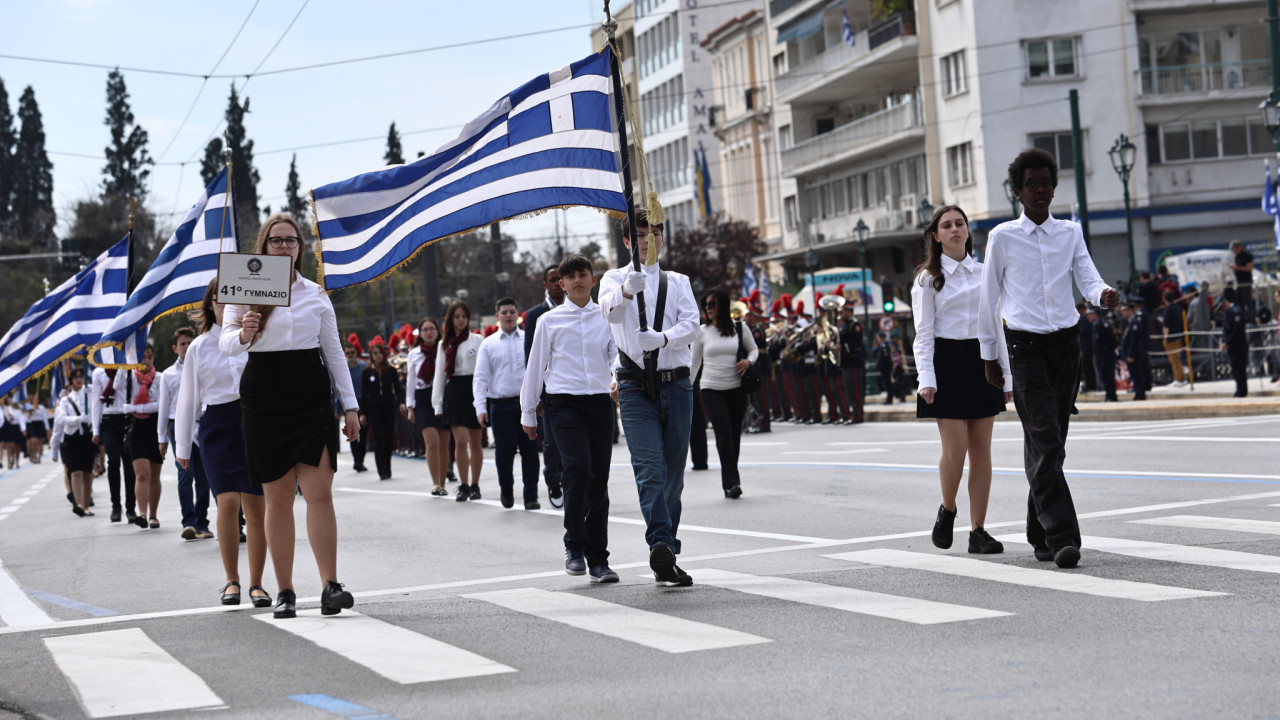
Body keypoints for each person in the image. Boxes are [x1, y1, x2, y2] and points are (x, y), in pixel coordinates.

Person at [978, 147, 1120, 570]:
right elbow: (988, 301)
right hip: (1023, 348)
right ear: (1018, 191)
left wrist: (1102, 295)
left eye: (1046, 184)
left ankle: (1037, 529)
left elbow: (1087, 277)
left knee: (1051, 445)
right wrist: (990, 356)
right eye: (1032, 185)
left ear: (1054, 189)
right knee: (1044, 437)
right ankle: (1062, 537)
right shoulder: (1002, 238)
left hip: (1066, 346)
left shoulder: (1070, 233)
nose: (1040, 191)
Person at [220, 212, 359, 620]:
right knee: (277, 500)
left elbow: (333, 354)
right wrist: (244, 332)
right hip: (263, 395)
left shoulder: (316, 294)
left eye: (291, 241)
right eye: (276, 241)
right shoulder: (244, 287)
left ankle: (331, 585)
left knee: (320, 493)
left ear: (301, 247)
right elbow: (227, 344)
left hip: (310, 394)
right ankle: (285, 591)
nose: (284, 247)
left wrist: (350, 406)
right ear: (263, 246)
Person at [600, 209, 700, 588]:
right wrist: (628, 291)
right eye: (641, 235)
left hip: (676, 383)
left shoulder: (678, 281)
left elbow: (692, 324)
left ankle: (667, 551)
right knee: (649, 468)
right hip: (634, 384)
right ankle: (660, 540)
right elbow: (607, 312)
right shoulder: (614, 278)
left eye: (655, 233)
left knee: (674, 475)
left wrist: (663, 338)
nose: (649, 240)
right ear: (627, 242)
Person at [912, 205, 1013, 554]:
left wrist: (1007, 376)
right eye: (946, 225)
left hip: (981, 360)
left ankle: (979, 530)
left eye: (959, 223)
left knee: (982, 450)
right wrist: (926, 377)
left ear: (968, 231)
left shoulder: (985, 273)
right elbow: (923, 334)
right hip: (947, 362)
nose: (954, 229)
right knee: (955, 450)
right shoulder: (928, 278)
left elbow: (996, 328)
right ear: (936, 236)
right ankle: (948, 508)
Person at [522, 254, 619, 583]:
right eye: (570, 276)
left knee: (599, 481)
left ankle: (599, 559)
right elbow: (536, 365)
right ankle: (574, 546)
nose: (577, 280)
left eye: (583, 274)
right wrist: (528, 411)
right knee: (577, 470)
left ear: (593, 280)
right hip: (562, 404)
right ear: (561, 284)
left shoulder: (606, 317)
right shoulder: (549, 321)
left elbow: (615, 352)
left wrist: (618, 376)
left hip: (598, 403)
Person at [179, 280, 270, 608]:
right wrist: (181, 447)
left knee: (256, 507)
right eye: (221, 298)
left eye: (238, 298)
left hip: (254, 422)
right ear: (211, 303)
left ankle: (257, 584)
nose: (229, 304)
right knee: (228, 502)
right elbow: (188, 398)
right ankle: (232, 580)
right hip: (217, 427)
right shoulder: (199, 346)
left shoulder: (259, 338)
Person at [691, 288, 757, 500]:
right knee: (724, 434)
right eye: (706, 305)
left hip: (737, 388)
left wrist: (748, 361)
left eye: (713, 304)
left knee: (734, 435)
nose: (708, 309)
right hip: (711, 388)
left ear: (724, 305)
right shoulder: (701, 331)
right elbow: (694, 363)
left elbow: (754, 350)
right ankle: (731, 483)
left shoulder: (740, 328)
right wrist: (685, 389)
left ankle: (731, 478)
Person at [475, 297, 540, 510]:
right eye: (504, 312)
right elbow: (481, 377)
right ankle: (507, 490)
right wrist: (480, 408)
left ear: (519, 314)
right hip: (500, 406)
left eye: (512, 311)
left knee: (530, 451)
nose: (509, 315)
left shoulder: (529, 339)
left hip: (527, 405)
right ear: (497, 316)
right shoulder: (489, 344)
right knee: (504, 453)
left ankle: (531, 495)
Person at [157, 327, 211, 540]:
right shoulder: (169, 375)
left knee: (204, 477)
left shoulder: (204, 367)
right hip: (177, 426)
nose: (187, 347)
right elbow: (164, 407)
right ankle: (188, 522)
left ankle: (202, 523)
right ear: (175, 348)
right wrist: (161, 438)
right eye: (183, 344)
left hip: (202, 424)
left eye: (190, 342)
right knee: (184, 475)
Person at [432, 299, 485, 502]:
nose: (461, 320)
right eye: (457, 316)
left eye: (464, 316)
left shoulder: (478, 340)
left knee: (476, 442)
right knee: (460, 442)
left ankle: (475, 485)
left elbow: (484, 370)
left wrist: (484, 396)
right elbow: (439, 376)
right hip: (454, 391)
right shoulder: (444, 344)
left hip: (474, 390)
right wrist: (437, 403)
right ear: (451, 319)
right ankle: (463, 485)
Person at [523, 265, 566, 509]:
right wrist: (534, 394)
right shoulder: (534, 315)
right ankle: (554, 481)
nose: (557, 283)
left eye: (561, 279)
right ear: (545, 284)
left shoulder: (576, 308)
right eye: (552, 279)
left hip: (573, 384)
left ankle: (572, 480)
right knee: (551, 441)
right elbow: (530, 357)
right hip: (548, 389)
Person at [405, 317, 449, 497]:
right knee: (432, 442)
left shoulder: (445, 349)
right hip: (422, 400)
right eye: (425, 329)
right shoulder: (414, 353)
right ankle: (435, 483)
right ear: (420, 333)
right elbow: (410, 381)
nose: (429, 332)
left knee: (444, 444)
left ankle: (444, 483)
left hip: (442, 396)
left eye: (432, 329)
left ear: (438, 331)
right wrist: (410, 406)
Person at [123, 344, 165, 529]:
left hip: (155, 428)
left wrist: (136, 407)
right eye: (141, 358)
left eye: (148, 357)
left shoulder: (160, 378)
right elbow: (118, 392)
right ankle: (142, 513)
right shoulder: (128, 376)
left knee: (154, 475)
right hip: (135, 429)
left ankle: (153, 515)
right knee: (142, 474)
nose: (145, 361)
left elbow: (160, 405)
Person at [90, 363, 137, 523]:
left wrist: (122, 368)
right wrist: (95, 430)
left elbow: (121, 386)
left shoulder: (128, 368)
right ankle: (116, 506)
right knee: (113, 461)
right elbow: (96, 402)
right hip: (108, 420)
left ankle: (131, 508)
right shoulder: (98, 373)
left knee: (129, 463)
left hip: (125, 418)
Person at [359, 343, 404, 481]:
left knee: (389, 439)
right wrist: (363, 413)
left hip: (389, 407)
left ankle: (388, 467)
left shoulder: (390, 370)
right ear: (372, 356)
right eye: (375, 353)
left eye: (380, 353)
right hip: (374, 409)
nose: (378, 355)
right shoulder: (367, 373)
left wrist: (401, 402)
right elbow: (364, 394)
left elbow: (398, 388)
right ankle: (382, 471)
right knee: (379, 438)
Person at [57, 368, 96, 517]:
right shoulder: (65, 400)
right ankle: (78, 504)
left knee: (87, 473)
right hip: (72, 438)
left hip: (87, 437)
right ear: (71, 380)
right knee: (76, 471)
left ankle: (86, 506)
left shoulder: (90, 394)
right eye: (76, 377)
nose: (79, 379)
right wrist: (78, 420)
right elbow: (62, 419)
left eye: (81, 376)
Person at [344, 342, 369, 473]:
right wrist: (337, 408)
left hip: (362, 403)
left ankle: (361, 460)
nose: (350, 355)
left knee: (364, 434)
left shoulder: (364, 367)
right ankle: (357, 461)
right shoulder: (343, 369)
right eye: (347, 353)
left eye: (352, 352)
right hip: (349, 405)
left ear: (356, 353)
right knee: (353, 434)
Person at [1220, 288, 1249, 397]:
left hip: (1239, 346)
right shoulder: (1228, 314)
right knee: (1235, 370)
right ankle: (1239, 389)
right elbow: (1225, 331)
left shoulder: (1236, 312)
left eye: (1222, 307)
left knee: (1240, 370)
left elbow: (1237, 332)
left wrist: (1227, 342)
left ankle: (1242, 391)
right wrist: (1223, 341)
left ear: (1225, 304)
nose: (1222, 310)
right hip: (1231, 347)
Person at [1121, 297, 1150, 401]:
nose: (1122, 313)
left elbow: (1134, 340)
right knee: (1134, 374)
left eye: (1124, 310)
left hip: (1135, 354)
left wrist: (1130, 354)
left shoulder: (1135, 321)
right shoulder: (1132, 321)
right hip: (1132, 353)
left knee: (1137, 374)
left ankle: (1140, 393)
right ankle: (1138, 392)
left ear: (1129, 310)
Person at [1160, 290, 1189, 386]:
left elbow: (1166, 325)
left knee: (1174, 360)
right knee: (1177, 359)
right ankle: (1180, 377)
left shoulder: (1168, 309)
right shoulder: (1178, 308)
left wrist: (1165, 338)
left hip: (1171, 338)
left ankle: (1179, 379)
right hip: (1179, 336)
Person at [1090, 308, 1118, 402]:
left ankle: (1112, 395)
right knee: (1103, 374)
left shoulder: (1102, 324)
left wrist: (1110, 350)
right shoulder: (1095, 324)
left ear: (1096, 315)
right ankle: (1108, 394)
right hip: (1100, 354)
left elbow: (1111, 339)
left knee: (1109, 375)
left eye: (1090, 314)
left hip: (1106, 354)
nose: (1088, 316)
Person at [1228, 240, 1254, 322]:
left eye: (1235, 249)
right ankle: (1241, 319)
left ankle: (1251, 319)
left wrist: (1237, 268)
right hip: (1238, 282)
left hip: (1246, 282)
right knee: (1239, 301)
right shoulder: (1236, 257)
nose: (1234, 251)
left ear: (1240, 247)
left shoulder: (1247, 256)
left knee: (1247, 301)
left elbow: (1249, 268)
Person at [1076, 302, 1097, 392]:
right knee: (1085, 367)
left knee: (1088, 367)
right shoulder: (1083, 319)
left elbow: (1085, 331)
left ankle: (1090, 385)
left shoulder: (1086, 319)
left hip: (1088, 347)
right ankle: (1089, 384)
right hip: (1084, 346)